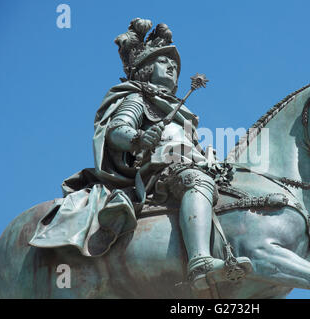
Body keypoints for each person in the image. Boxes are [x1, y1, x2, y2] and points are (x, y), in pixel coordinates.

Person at [30, 18, 251, 293]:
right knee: (197, 181)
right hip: (157, 171)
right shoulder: (138, 98)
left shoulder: (182, 114)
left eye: (174, 65)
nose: (172, 67)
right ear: (146, 69)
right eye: (163, 62)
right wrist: (138, 138)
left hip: (187, 164)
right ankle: (200, 262)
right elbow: (116, 131)